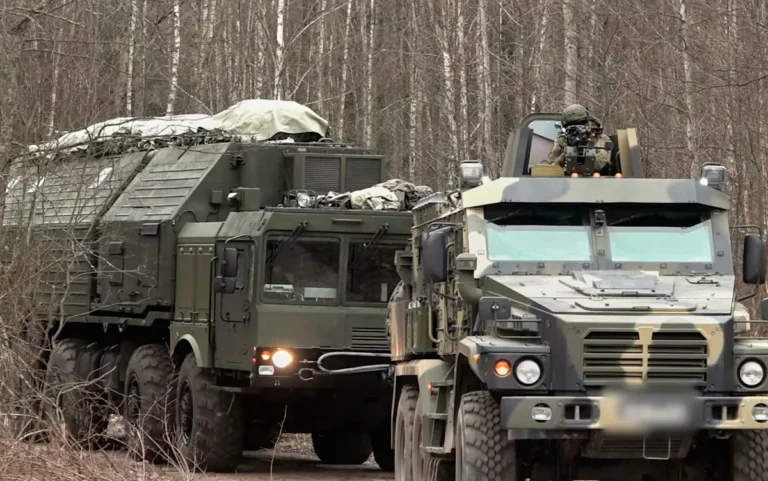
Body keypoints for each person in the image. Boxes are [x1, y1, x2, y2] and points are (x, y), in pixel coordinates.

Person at [545, 104, 611, 171]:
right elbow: (551, 169)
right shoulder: (562, 140)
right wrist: (565, 154)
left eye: (580, 124)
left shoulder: (599, 138)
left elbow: (600, 163)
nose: (576, 130)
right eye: (571, 126)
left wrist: (587, 146)